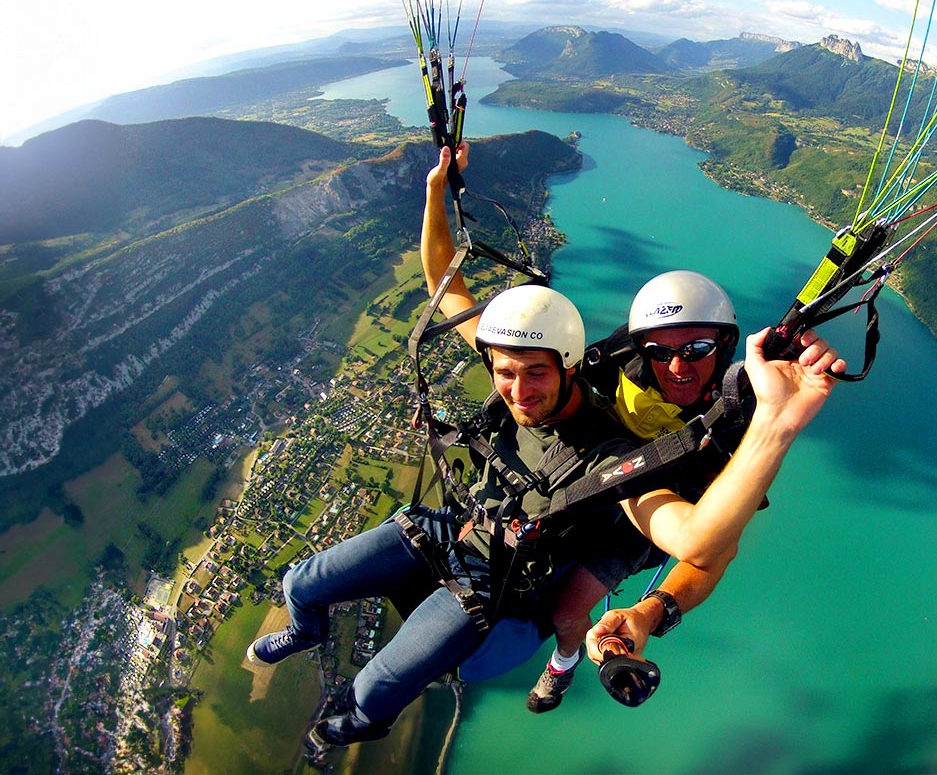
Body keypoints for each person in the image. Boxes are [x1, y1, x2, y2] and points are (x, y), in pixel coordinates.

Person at [246, 143, 844, 753]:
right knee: (301, 583)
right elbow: (443, 284)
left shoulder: (624, 448)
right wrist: (435, 191)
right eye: (506, 372)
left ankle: (550, 670)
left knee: (542, 624)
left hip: (569, 537)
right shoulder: (561, 368)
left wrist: (773, 420)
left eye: (695, 351)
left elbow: (700, 543)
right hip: (462, 523)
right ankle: (306, 625)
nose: (517, 389)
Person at [525, 270, 765, 713]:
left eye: (697, 350)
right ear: (642, 348)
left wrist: (649, 613)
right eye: (660, 351)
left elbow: (717, 548)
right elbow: (527, 363)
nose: (677, 366)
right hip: (601, 476)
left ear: (724, 348)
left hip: (653, 517)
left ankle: (562, 664)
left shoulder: (736, 420)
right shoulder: (619, 358)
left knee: (566, 610)